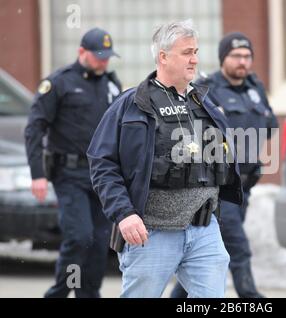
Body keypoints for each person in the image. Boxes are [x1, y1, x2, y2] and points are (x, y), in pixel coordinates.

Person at [87, 20, 242, 298]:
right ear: (163, 56)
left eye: (195, 51)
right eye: (186, 52)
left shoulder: (204, 104)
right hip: (151, 233)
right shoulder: (132, 105)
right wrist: (124, 214)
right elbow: (102, 163)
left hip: (204, 231)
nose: (194, 59)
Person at [170, 32, 278, 298]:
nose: (243, 61)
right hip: (218, 188)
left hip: (244, 188)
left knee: (205, 252)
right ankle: (250, 297)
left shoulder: (255, 88)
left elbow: (270, 125)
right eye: (236, 56)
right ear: (223, 59)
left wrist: (258, 159)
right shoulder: (206, 89)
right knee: (237, 245)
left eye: (247, 56)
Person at [24, 27, 122, 298]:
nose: (104, 62)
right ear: (81, 52)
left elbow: (120, 130)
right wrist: (37, 174)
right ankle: (60, 292)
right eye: (99, 56)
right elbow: (35, 128)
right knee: (79, 237)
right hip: (68, 174)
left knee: (100, 242)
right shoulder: (59, 83)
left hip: (102, 176)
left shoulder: (112, 85)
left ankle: (88, 294)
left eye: (107, 57)